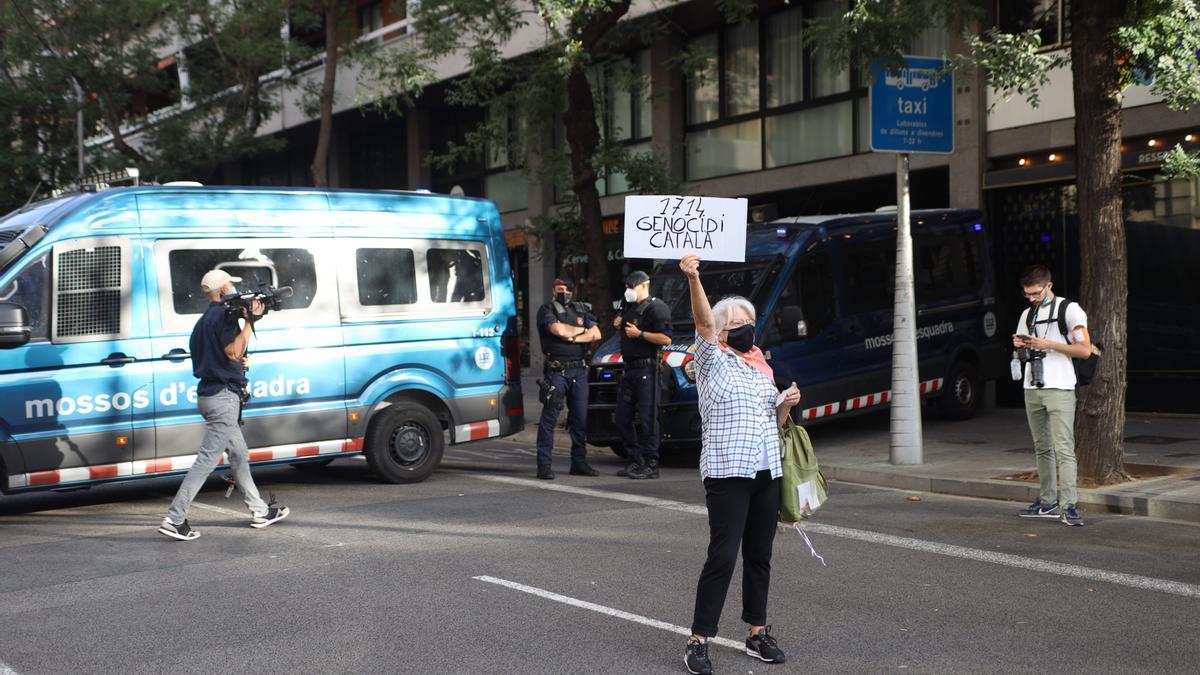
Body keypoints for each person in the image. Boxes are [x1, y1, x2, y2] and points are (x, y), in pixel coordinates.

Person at [679, 254, 801, 675]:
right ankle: (698, 640)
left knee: (760, 555)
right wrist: (694, 278)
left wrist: (785, 404)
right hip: (728, 471)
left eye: (746, 322)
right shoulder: (712, 361)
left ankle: (756, 633)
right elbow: (703, 326)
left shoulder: (760, 367)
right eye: (733, 325)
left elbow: (775, 421)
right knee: (723, 555)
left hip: (766, 470)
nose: (743, 329)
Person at [158, 269, 290, 541]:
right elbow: (233, 352)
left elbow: (217, 357)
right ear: (221, 290)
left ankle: (260, 511)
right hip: (223, 398)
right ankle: (174, 518)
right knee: (206, 460)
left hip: (208, 395)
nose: (234, 289)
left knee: (239, 455)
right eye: (230, 285)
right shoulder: (226, 317)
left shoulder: (203, 322)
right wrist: (250, 323)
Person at [1012, 264, 1091, 527]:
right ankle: (1047, 501)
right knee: (1042, 448)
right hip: (1032, 387)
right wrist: (1021, 346)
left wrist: (1050, 344)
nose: (1032, 298)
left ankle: (1069, 506)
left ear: (1049, 286)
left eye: (1035, 293)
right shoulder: (1027, 314)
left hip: (1060, 387)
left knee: (1063, 448)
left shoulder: (1070, 309)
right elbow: (1024, 351)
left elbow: (1085, 350)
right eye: (1027, 294)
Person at [534, 275, 602, 479]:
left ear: (572, 291)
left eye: (565, 288)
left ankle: (579, 462)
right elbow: (557, 330)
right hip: (557, 372)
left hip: (579, 372)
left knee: (580, 419)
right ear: (553, 291)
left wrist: (571, 336)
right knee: (550, 418)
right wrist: (581, 333)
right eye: (558, 289)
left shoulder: (581, 309)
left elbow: (597, 334)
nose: (561, 292)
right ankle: (544, 465)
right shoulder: (547, 310)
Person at [613, 270, 672, 479]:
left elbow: (666, 339)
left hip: (648, 369)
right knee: (621, 417)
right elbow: (619, 319)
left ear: (644, 286)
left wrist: (640, 334)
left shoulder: (657, 308)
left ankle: (651, 462)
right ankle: (635, 459)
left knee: (648, 418)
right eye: (627, 287)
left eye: (632, 287)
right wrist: (618, 319)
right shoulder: (628, 305)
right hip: (629, 368)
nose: (628, 291)